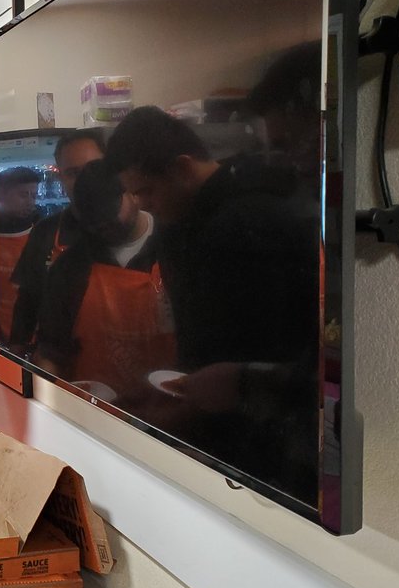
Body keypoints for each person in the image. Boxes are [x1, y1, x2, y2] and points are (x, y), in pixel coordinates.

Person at [105, 105, 319, 498]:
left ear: (183, 168)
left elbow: (277, 351)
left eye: (146, 190)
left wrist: (192, 407)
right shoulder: (183, 223)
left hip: (267, 454)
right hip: (217, 429)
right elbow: (204, 343)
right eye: (133, 193)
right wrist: (170, 392)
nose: (141, 203)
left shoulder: (254, 220)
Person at [33, 160, 174, 402]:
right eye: (93, 221)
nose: (102, 226)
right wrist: (48, 397)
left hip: (169, 407)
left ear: (133, 194)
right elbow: (50, 348)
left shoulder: (174, 247)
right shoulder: (71, 265)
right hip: (93, 407)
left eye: (110, 214)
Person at [7, 129, 105, 353]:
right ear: (61, 178)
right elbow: (27, 304)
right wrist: (16, 354)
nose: (85, 181)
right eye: (73, 173)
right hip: (59, 363)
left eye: (93, 169)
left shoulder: (145, 228)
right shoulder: (45, 232)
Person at [0, 166, 44, 343]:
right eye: (23, 195)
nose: (30, 201)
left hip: (37, 339)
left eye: (33, 195)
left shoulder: (43, 236)